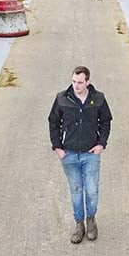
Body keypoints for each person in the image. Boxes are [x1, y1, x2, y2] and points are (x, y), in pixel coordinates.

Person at [48, 66, 112, 243]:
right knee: (76, 191)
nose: (76, 86)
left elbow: (106, 121)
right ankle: (79, 225)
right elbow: (53, 123)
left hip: (90, 153)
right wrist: (58, 148)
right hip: (69, 154)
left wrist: (101, 144)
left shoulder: (98, 99)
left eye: (80, 82)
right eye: (74, 82)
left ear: (88, 82)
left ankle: (91, 221)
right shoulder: (62, 98)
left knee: (91, 190)